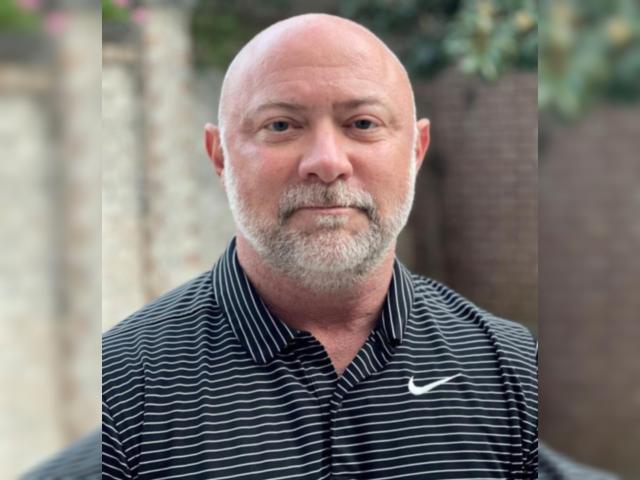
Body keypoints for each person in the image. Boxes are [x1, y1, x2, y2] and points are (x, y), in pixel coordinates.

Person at [103, 13, 538, 479]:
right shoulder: (120, 389)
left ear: (416, 149)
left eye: (363, 123)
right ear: (220, 156)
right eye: (281, 125)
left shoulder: (511, 370)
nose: (327, 162)